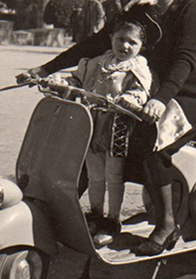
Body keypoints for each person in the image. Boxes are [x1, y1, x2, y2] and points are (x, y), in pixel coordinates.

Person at [16, 0, 196, 256]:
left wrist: (161, 100)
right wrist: (44, 68)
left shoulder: (192, 8)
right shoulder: (138, 10)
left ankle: (166, 224)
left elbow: (185, 60)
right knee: (91, 138)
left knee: (153, 142)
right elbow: (96, 43)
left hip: (188, 95)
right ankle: (88, 214)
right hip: (142, 94)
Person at [54, 13, 158, 246]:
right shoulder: (97, 62)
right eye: (121, 39)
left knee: (113, 174)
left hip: (117, 126)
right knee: (94, 174)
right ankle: (96, 214)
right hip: (90, 122)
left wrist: (129, 99)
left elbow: (141, 92)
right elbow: (78, 82)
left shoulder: (137, 67)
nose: (125, 46)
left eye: (133, 42)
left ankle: (113, 219)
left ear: (141, 46)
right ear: (111, 37)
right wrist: (63, 84)